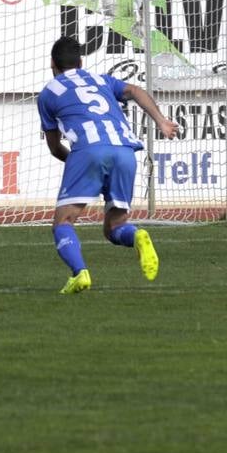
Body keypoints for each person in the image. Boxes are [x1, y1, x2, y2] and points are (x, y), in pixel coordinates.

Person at [38, 36, 179, 294]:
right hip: (125, 151)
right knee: (115, 227)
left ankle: (80, 273)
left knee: (63, 222)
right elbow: (135, 91)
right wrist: (161, 121)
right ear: (81, 62)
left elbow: (55, 147)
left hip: (89, 150)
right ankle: (136, 235)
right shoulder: (101, 79)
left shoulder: (49, 93)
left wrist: (81, 166)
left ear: (52, 65)